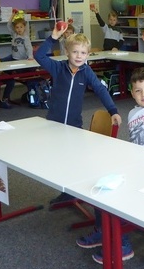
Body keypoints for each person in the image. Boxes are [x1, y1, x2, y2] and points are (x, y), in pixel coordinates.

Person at [77, 28, 144, 264]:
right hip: (137, 166)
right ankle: (103, 230)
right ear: (132, 93)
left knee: (120, 196)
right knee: (102, 184)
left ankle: (122, 243)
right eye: (138, 91)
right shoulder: (132, 114)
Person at [34, 25, 122, 208]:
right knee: (59, 160)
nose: (79, 56)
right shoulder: (58, 68)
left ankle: (74, 191)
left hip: (74, 125)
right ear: (67, 52)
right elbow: (39, 56)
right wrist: (53, 37)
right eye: (75, 52)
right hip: (54, 123)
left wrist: (112, 110)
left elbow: (100, 89)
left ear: (88, 55)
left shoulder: (86, 72)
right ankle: (66, 192)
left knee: (74, 160)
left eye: (83, 53)